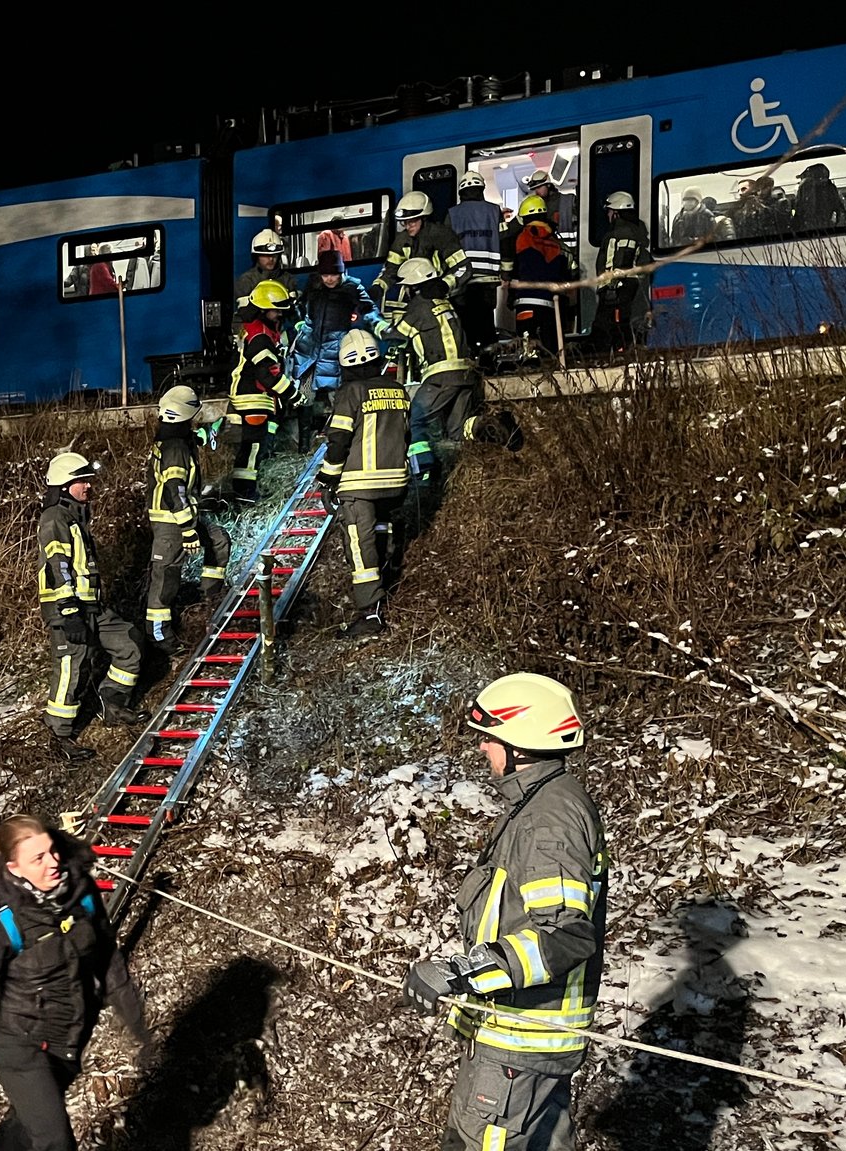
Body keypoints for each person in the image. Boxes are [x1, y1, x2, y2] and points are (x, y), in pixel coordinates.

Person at [402, 672, 607, 1151]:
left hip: (520, 1042)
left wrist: (463, 973)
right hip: (527, 1042)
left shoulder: (545, 819)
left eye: (490, 739)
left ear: (521, 745)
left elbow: (565, 935)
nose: (482, 750)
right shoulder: (538, 804)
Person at [0, 815, 153, 1150]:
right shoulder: (1, 920)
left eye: (52, 851)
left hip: (68, 1034)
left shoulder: (81, 893)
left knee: (30, 1118)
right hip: (19, 1042)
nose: (53, 863)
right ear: (14, 868)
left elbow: (108, 961)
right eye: (38, 858)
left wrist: (141, 1030)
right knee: (54, 1139)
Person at [37, 451, 149, 761]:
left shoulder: (74, 515)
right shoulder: (55, 518)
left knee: (129, 641)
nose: (89, 486)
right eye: (81, 481)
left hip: (92, 607)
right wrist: (69, 609)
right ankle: (59, 738)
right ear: (64, 485)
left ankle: (112, 704)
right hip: (69, 609)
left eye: (88, 479)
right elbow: (57, 565)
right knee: (71, 668)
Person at [316, 330, 408, 640]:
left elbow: (339, 439)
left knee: (360, 542)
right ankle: (388, 577)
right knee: (382, 529)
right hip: (396, 482)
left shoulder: (351, 392)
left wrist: (327, 478)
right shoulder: (398, 390)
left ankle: (370, 613)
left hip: (359, 483)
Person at [385, 257, 523, 455]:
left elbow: (395, 335)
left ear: (413, 285)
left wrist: (376, 322)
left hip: (441, 376)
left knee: (416, 419)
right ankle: (491, 424)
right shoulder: (444, 303)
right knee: (459, 431)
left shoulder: (419, 306)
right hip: (466, 374)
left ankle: (424, 474)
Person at [144, 385, 231, 655]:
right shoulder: (175, 447)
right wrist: (188, 530)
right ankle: (159, 637)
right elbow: (174, 490)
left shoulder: (176, 438)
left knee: (218, 540)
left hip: (181, 520)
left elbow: (195, 438)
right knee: (165, 581)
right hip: (171, 523)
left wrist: (211, 430)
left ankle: (212, 597)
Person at [290, 248, 377, 435]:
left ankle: (339, 437)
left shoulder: (352, 287)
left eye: (334, 274)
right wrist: (300, 324)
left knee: (338, 396)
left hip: (336, 348)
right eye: (325, 274)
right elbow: (300, 306)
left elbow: (369, 308)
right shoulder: (313, 285)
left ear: (341, 272)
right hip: (309, 347)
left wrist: (378, 325)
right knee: (304, 397)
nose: (329, 279)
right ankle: (304, 444)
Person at [226, 280, 296, 505]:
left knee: (255, 446)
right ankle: (245, 493)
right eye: (276, 311)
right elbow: (269, 375)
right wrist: (294, 393)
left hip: (253, 396)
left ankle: (247, 490)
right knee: (252, 447)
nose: (279, 316)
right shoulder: (261, 338)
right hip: (252, 398)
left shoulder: (257, 329)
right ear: (264, 309)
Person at [371, 192, 467, 316]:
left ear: (424, 218)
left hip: (448, 299)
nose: (407, 226)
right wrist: (378, 287)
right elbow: (390, 271)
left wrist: (444, 285)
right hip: (417, 300)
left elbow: (463, 268)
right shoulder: (402, 241)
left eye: (411, 222)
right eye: (404, 222)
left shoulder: (442, 237)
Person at [448, 172, 506, 357]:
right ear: (481, 189)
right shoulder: (494, 211)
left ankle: (470, 362)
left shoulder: (452, 214)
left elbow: (445, 247)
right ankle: (489, 363)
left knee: (465, 325)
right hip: (488, 279)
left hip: (462, 280)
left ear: (461, 191)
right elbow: (504, 240)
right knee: (487, 323)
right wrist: (505, 273)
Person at [508, 195, 574, 360]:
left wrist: (510, 295)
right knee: (550, 349)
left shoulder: (522, 238)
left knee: (528, 351)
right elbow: (569, 272)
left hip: (526, 301)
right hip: (551, 303)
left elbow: (512, 269)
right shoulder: (557, 242)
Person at [594, 191, 653, 356]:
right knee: (615, 325)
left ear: (616, 212)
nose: (607, 215)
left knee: (608, 327)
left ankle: (614, 357)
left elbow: (622, 259)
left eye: (609, 211)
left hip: (618, 287)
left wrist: (613, 285)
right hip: (622, 286)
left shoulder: (622, 232)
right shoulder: (632, 231)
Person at [233, 228, 300, 338]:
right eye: (265, 255)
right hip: (255, 335)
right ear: (257, 256)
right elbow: (244, 316)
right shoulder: (246, 281)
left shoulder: (288, 279)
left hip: (282, 334)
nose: (271, 259)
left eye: (274, 255)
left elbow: (293, 315)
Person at [792, 162, 846, 231]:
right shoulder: (830, 187)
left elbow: (799, 211)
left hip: (809, 230)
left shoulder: (806, 187)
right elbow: (841, 210)